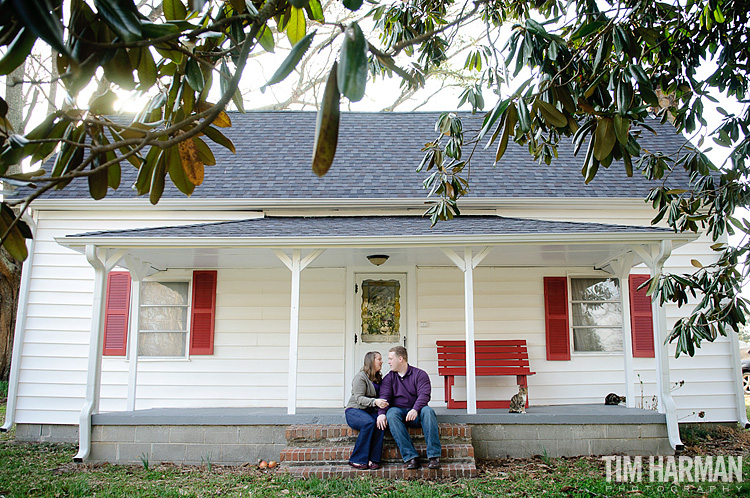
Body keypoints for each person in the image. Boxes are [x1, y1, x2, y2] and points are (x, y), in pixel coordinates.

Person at [376, 346, 442, 469]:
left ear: (400, 358)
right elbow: (384, 398)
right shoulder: (389, 378)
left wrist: (415, 409)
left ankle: (434, 456)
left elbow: (424, 395)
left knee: (428, 411)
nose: (388, 362)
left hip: (418, 413)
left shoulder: (420, 374)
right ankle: (411, 457)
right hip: (399, 414)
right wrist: (381, 413)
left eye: (391, 359)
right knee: (391, 413)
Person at [345, 351, 389, 470]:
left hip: (369, 411)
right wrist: (375, 402)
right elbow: (359, 399)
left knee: (380, 423)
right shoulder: (360, 377)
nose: (382, 361)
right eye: (379, 359)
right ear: (371, 361)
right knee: (369, 422)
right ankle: (357, 459)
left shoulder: (378, 377)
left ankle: (373, 459)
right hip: (354, 410)